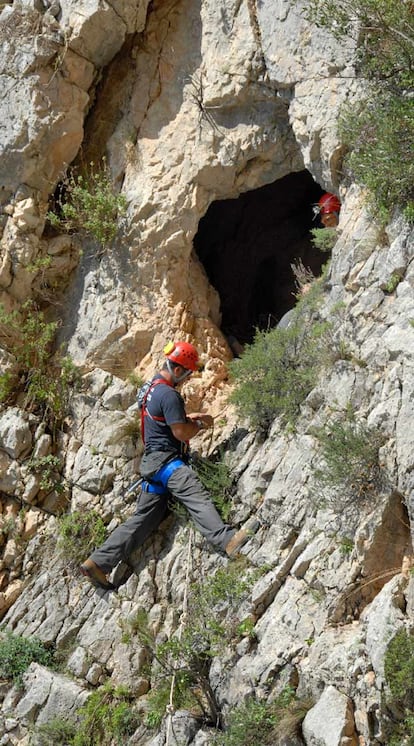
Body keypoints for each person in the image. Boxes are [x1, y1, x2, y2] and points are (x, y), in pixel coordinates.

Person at [80, 341, 257, 590]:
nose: (186, 379)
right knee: (194, 493)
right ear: (177, 370)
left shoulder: (150, 388)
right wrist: (199, 425)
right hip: (167, 463)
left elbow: (160, 420)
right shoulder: (169, 394)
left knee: (144, 519)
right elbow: (180, 432)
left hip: (151, 465)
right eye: (186, 374)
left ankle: (98, 562)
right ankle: (227, 540)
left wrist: (187, 418)